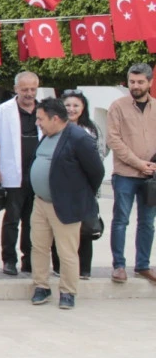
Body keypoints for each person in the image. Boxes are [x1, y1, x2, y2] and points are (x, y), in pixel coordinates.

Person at [29, 98, 105, 309]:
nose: (38, 122)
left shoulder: (78, 137)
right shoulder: (47, 135)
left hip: (65, 205)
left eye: (41, 118)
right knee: (39, 247)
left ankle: (68, 292)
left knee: (67, 251)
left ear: (55, 118)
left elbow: (96, 171)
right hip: (41, 203)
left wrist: (78, 194)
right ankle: (41, 286)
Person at [105, 63, 156, 284]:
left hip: (151, 176)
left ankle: (143, 265)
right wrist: (139, 163)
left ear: (150, 83)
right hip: (125, 174)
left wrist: (151, 166)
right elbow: (114, 140)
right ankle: (119, 266)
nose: (135, 86)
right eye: (132, 82)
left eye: (140, 82)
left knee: (147, 222)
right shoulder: (117, 107)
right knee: (121, 220)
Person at [0, 71, 40, 276]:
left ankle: (28, 259)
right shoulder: (3, 111)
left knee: (32, 220)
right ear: (16, 89)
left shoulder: (44, 109)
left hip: (37, 174)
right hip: (12, 172)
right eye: (24, 89)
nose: (29, 93)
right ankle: (8, 260)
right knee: (12, 219)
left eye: (32, 89)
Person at [63, 90, 106, 279]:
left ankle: (84, 270)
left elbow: (101, 154)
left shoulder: (91, 129)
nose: (72, 109)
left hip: (86, 187)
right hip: (63, 188)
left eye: (76, 105)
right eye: (68, 105)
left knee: (85, 229)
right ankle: (62, 269)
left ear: (83, 108)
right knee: (64, 231)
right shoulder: (57, 127)